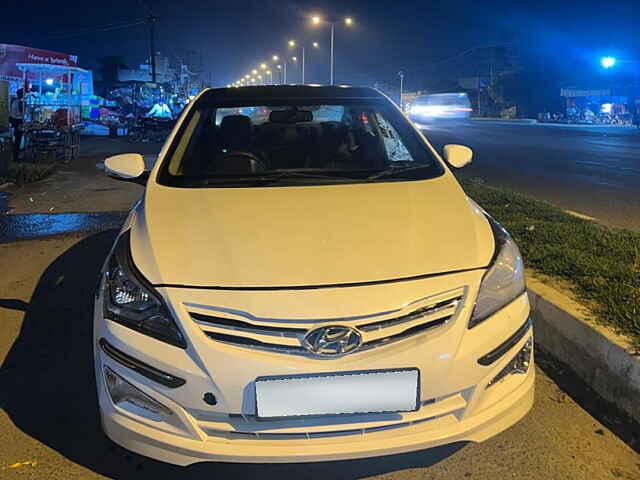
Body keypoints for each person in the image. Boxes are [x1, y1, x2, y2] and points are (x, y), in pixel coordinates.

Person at [9, 88, 25, 162]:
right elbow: (22, 111)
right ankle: (16, 157)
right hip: (18, 122)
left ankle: (14, 156)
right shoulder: (20, 102)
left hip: (12, 121)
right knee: (18, 139)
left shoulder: (13, 101)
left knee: (15, 139)